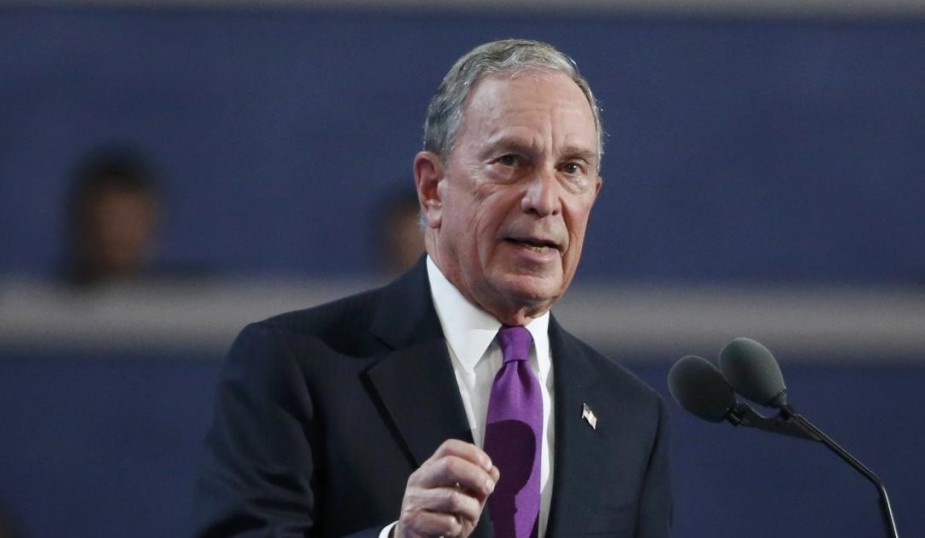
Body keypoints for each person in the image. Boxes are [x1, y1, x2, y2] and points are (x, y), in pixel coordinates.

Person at [192, 39, 672, 538]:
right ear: (432, 188)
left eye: (571, 169)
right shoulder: (298, 365)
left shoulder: (631, 415)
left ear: (593, 195)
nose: (544, 199)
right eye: (511, 160)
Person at [63, 147, 163, 286]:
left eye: (127, 220)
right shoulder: (43, 297)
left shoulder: (183, 296)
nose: (115, 234)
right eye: (107, 220)